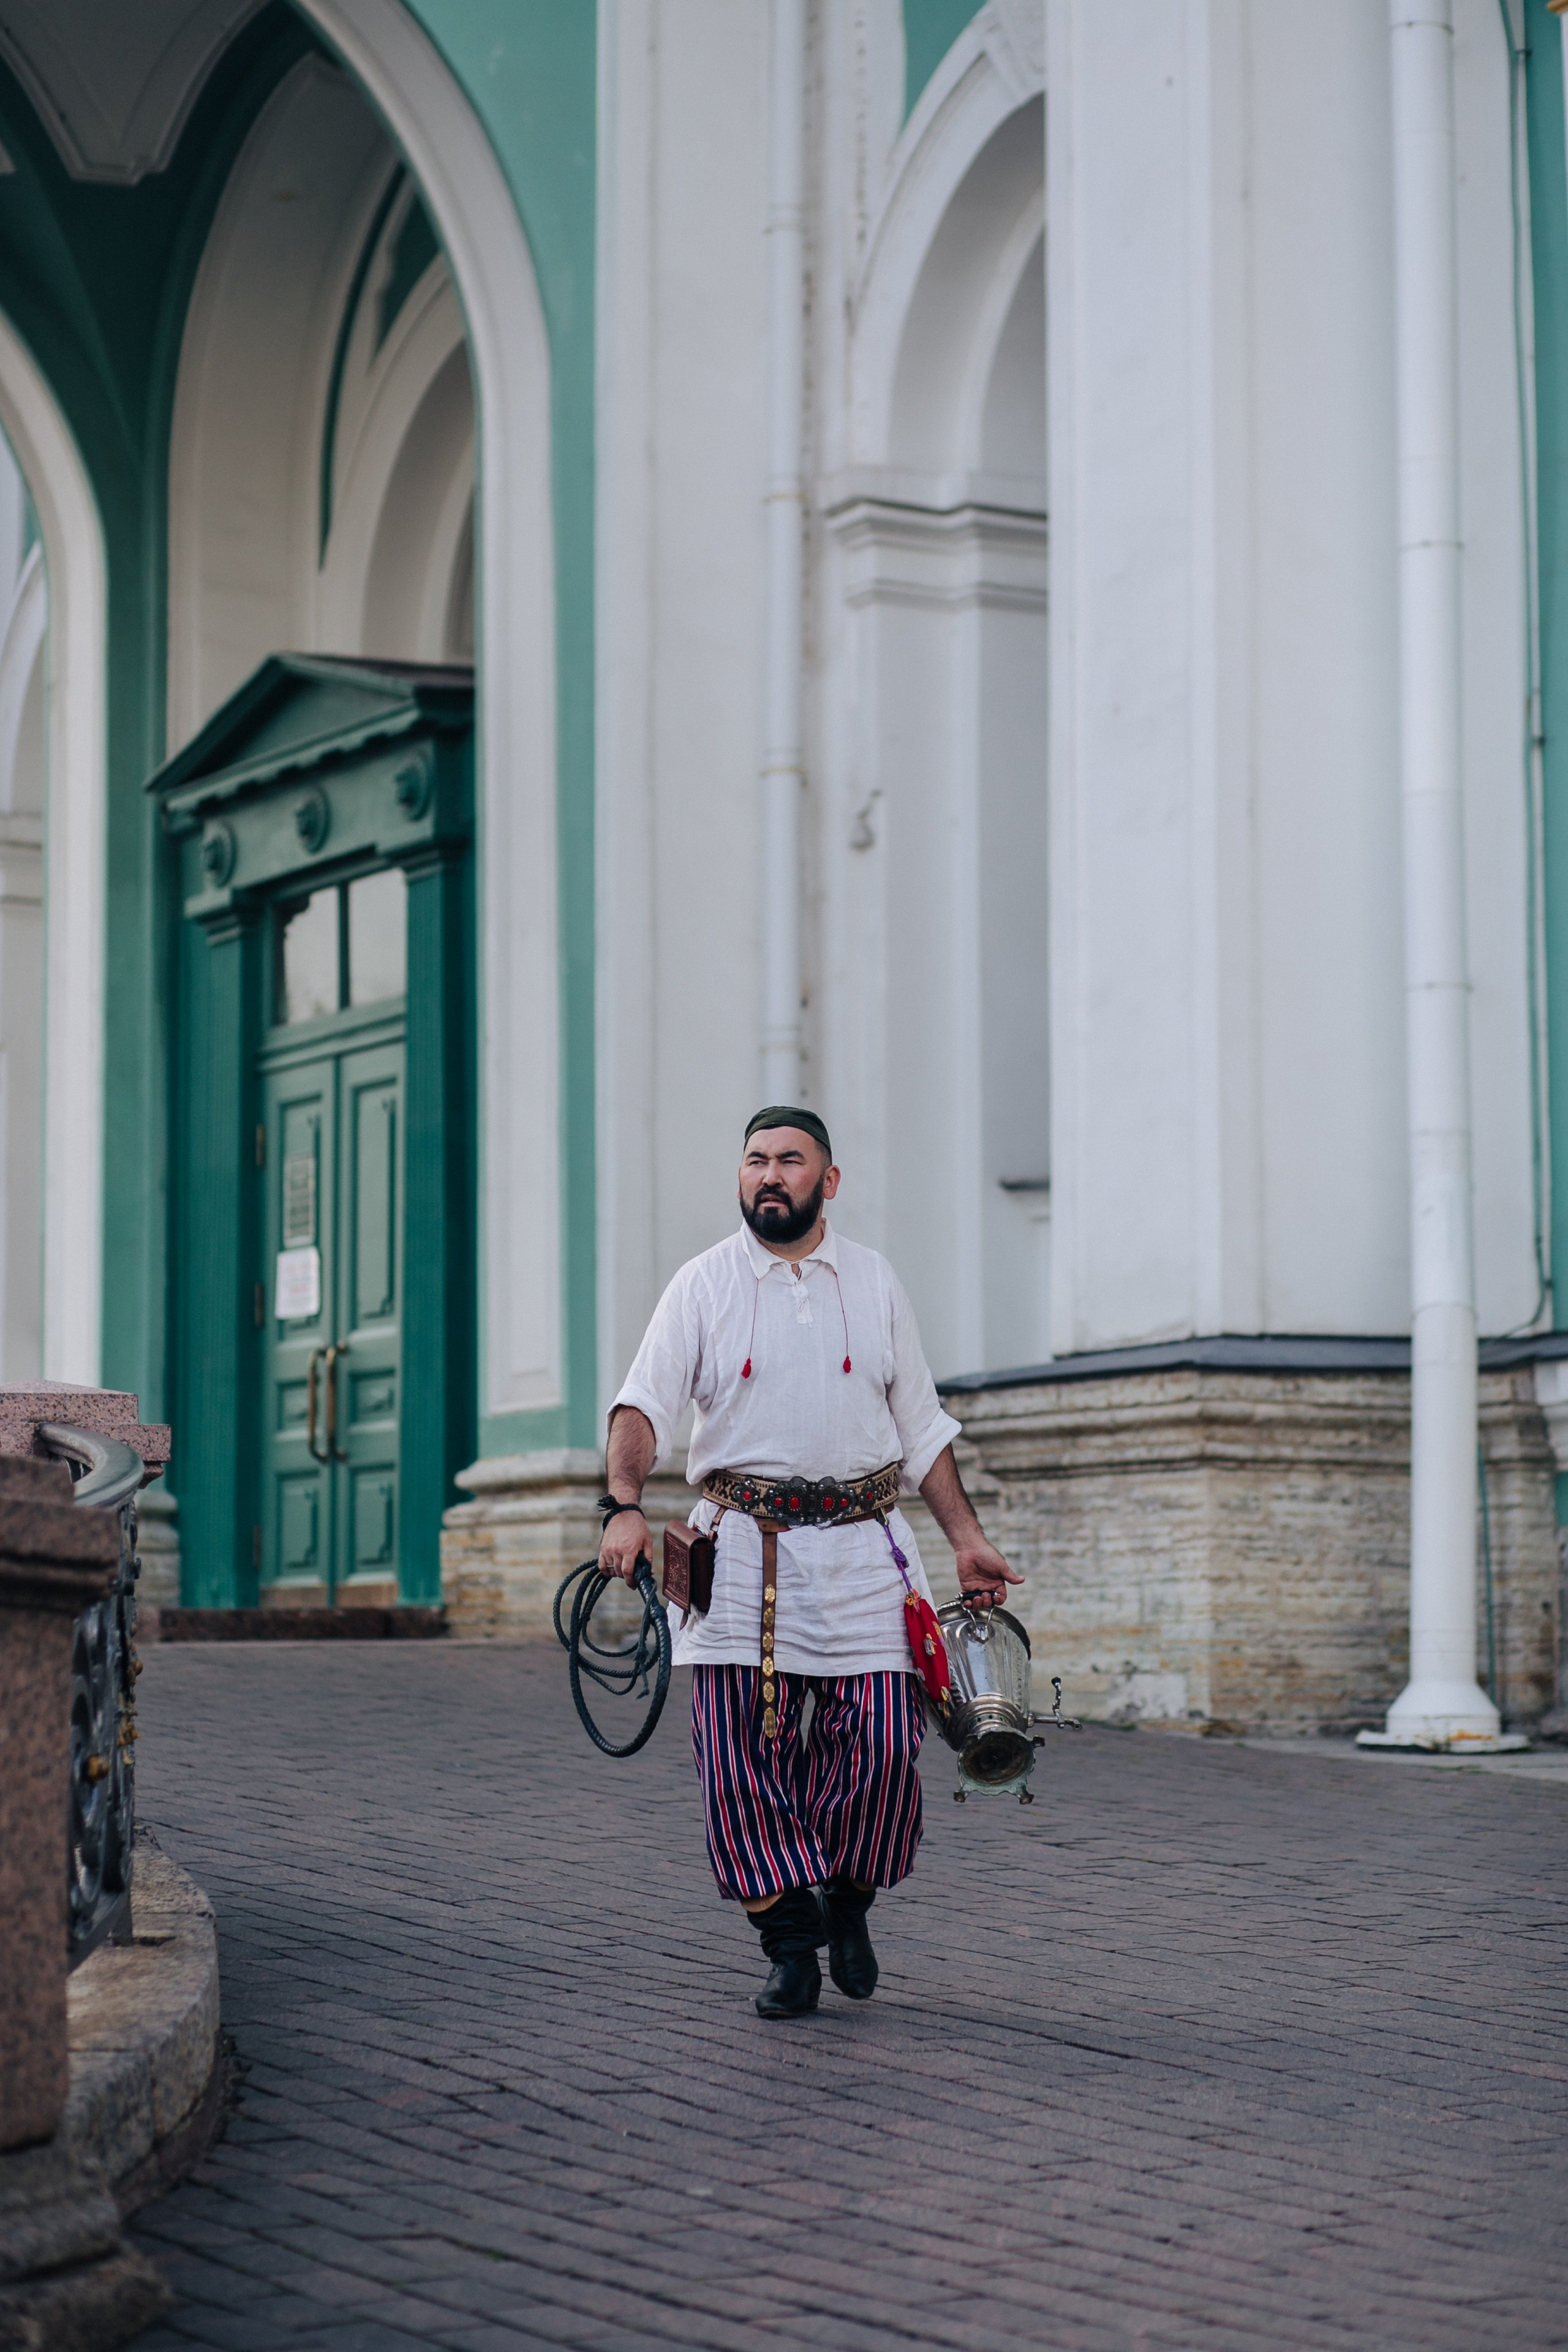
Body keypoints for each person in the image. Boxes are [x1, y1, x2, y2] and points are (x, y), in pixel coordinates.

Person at [598, 1105, 1023, 2018]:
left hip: (868, 1550)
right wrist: (625, 1507)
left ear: (828, 1182)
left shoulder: (873, 1282)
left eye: (790, 1161)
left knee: (879, 1748)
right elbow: (642, 1406)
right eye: (755, 1161)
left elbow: (923, 1428)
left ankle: (849, 1898)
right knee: (738, 1760)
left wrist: (966, 1538)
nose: (769, 1175)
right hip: (737, 1552)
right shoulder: (704, 1284)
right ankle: (789, 1945)